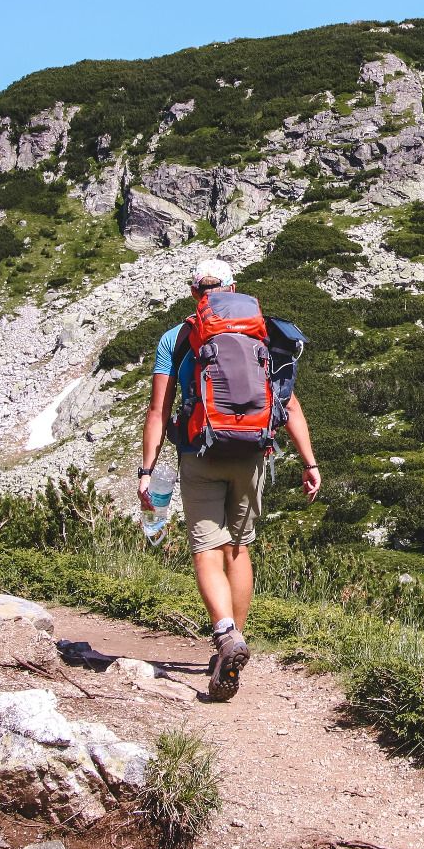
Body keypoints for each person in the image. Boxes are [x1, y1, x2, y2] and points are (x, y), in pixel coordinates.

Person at [139, 257, 321, 701]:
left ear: (193, 291)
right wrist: (309, 462)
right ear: (234, 287)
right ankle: (233, 640)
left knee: (205, 547)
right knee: (239, 548)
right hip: (253, 453)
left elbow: (159, 410)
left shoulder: (177, 337)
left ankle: (224, 636)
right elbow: (289, 404)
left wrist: (147, 470)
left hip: (199, 451)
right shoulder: (258, 330)